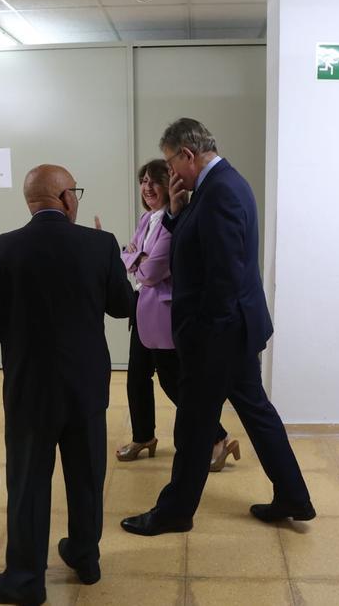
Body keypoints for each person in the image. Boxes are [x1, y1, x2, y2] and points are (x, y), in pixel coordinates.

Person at [121, 118, 315, 537]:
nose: (170, 172)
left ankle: (175, 512)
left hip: (219, 336)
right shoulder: (215, 187)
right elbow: (196, 243)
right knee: (256, 413)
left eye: (172, 163)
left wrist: (203, 343)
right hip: (233, 332)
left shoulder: (221, 192)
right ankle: (294, 497)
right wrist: (173, 213)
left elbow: (223, 278)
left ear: (188, 155)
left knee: (193, 424)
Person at [0, 165, 133, 605]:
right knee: (86, 475)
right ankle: (85, 557)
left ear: (31, 201)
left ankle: (24, 580)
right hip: (85, 388)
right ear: (64, 198)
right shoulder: (100, 245)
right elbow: (122, 307)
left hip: (30, 391)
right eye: (74, 192)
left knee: (28, 481)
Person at [116, 159, 238, 471]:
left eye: (153, 180)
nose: (146, 187)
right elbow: (131, 254)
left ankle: (218, 437)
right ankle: (144, 437)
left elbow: (152, 272)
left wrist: (134, 258)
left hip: (165, 315)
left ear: (168, 185)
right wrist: (135, 256)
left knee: (174, 383)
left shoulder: (175, 222)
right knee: (136, 378)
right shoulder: (147, 220)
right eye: (142, 181)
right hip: (143, 311)